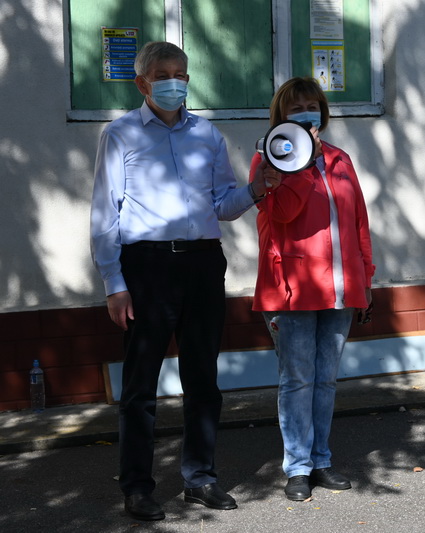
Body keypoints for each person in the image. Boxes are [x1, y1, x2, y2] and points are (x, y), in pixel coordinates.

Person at [90, 41, 278, 521]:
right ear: (142, 83)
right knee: (140, 386)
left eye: (181, 74)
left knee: (203, 379)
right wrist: (114, 283)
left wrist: (257, 189)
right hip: (147, 268)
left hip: (202, 264)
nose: (174, 82)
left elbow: (222, 205)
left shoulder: (207, 135)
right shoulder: (121, 134)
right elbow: (105, 213)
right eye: (163, 75)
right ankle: (137, 486)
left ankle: (201, 478)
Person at [249, 77, 375, 501]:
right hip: (293, 290)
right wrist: (303, 164)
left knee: (326, 381)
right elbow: (282, 212)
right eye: (296, 107)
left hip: (341, 288)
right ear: (280, 116)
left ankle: (321, 460)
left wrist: (366, 278)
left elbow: (358, 221)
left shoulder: (339, 159)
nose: (306, 113)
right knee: (298, 380)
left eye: (312, 105)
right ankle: (298, 467)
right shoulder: (268, 158)